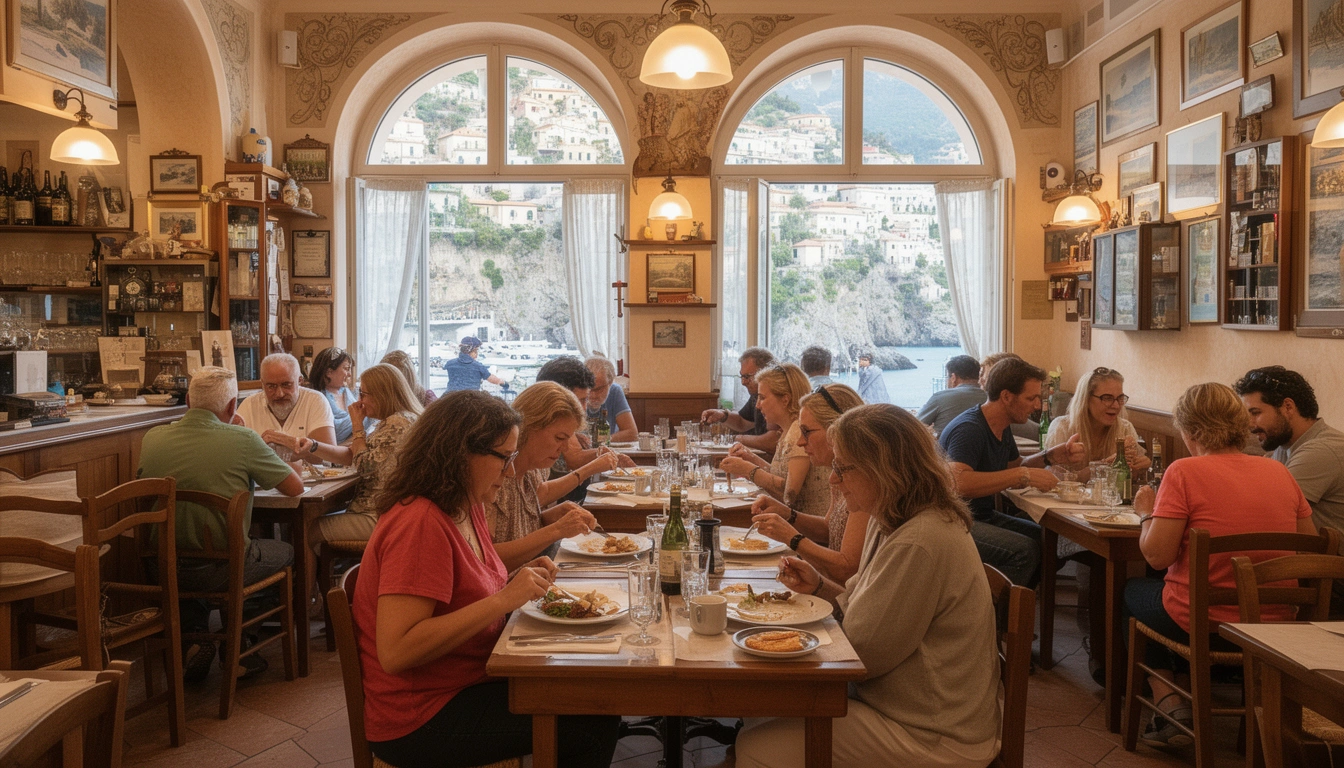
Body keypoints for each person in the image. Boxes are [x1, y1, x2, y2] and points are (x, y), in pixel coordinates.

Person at [353, 390, 620, 768]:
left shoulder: (467, 503)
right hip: (424, 714)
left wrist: (520, 577)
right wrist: (503, 599)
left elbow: (474, 574)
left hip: (471, 679)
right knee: (593, 724)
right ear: (461, 453)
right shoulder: (420, 523)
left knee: (594, 690)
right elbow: (397, 651)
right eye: (504, 458)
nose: (510, 471)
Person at [737, 404, 1001, 768]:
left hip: (932, 731)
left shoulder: (920, 541)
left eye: (843, 468)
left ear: (883, 470)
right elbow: (864, 605)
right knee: (756, 712)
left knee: (754, 747)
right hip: (903, 706)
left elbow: (861, 654)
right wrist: (819, 587)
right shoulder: (892, 516)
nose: (833, 479)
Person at [1124, 382, 1316, 747]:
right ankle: (1187, 689)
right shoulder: (1280, 472)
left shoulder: (1184, 472)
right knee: (1175, 594)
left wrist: (1146, 513)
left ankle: (1168, 702)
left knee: (1134, 593)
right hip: (1273, 623)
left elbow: (1157, 556)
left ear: (1193, 431)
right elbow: (1308, 552)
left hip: (1206, 623)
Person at [137, 366, 304, 681]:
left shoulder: (153, 437)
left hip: (161, 565)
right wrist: (251, 440)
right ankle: (240, 647)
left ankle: (196, 637)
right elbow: (295, 488)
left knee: (189, 548)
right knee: (284, 552)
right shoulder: (243, 439)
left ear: (189, 401)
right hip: (221, 569)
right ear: (231, 406)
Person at [940, 357, 1086, 586]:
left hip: (981, 515)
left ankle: (1014, 601)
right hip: (950, 522)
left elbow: (1014, 466)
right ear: (1006, 396)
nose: (1036, 406)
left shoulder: (1001, 426)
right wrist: (1021, 476)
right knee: (1024, 551)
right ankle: (994, 606)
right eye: (1031, 398)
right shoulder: (969, 429)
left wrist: (1050, 456)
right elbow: (957, 483)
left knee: (1052, 543)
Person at [293, 364, 423, 547]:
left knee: (309, 528)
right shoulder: (402, 419)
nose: (359, 401)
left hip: (381, 516)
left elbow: (363, 466)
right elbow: (354, 455)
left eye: (363, 394)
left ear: (381, 395)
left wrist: (357, 426)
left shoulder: (397, 423)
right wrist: (313, 446)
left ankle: (319, 568)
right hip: (394, 511)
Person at [749, 384, 867, 583]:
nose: (800, 442)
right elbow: (828, 529)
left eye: (806, 432)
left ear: (837, 429)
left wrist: (793, 538)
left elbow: (847, 569)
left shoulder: (863, 482)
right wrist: (787, 514)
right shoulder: (837, 473)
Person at [489, 382, 618, 563]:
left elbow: (520, 523)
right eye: (559, 438)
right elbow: (484, 561)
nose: (564, 448)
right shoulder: (493, 476)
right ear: (528, 426)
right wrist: (556, 530)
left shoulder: (535, 470)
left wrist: (548, 517)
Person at [1234, 366, 1344, 536]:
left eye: (1255, 413)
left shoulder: (1321, 451)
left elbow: (1267, 510)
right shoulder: (1283, 446)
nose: (1249, 424)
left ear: (1288, 407)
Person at [719, 364, 831, 520]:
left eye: (762, 397)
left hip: (810, 526)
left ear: (785, 399)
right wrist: (750, 457)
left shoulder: (798, 431)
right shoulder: (787, 430)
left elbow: (789, 496)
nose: (757, 405)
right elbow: (780, 475)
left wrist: (749, 470)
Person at [1044, 367, 1151, 480]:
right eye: (1107, 398)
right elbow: (1054, 479)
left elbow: (1130, 477)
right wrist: (1105, 464)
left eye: (1120, 398)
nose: (1116, 405)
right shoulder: (1062, 428)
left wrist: (1141, 468)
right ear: (1086, 399)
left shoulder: (1125, 428)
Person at [237, 353, 337, 452]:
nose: (279, 394)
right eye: (271, 386)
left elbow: (328, 456)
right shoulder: (249, 405)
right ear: (262, 384)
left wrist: (289, 442)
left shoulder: (315, 400)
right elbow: (237, 452)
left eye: (286, 385)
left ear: (300, 381)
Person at [700, 347, 782, 455]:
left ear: (766, 372)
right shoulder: (755, 395)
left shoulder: (778, 396)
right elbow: (743, 422)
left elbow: (773, 441)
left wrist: (737, 439)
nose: (743, 382)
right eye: (742, 376)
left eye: (747, 376)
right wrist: (723, 415)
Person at [917, 355, 987, 436]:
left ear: (953, 378)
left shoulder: (940, 397)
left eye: (947, 377)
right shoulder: (990, 397)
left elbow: (914, 426)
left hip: (945, 444)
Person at [308, 346, 361, 443]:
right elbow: (333, 432)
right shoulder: (315, 399)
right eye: (346, 368)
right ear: (329, 372)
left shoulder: (348, 392)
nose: (349, 374)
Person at [584, 355, 637, 442]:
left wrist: (599, 441)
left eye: (599, 389)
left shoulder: (615, 391)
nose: (593, 395)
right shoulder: (575, 390)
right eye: (588, 388)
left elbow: (632, 433)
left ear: (610, 383)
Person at [443, 336, 509, 393]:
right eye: (475, 351)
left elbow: (446, 367)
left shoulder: (450, 363)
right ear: (469, 351)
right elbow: (491, 378)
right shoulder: (478, 366)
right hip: (471, 396)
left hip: (451, 396)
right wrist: (502, 382)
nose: (477, 355)